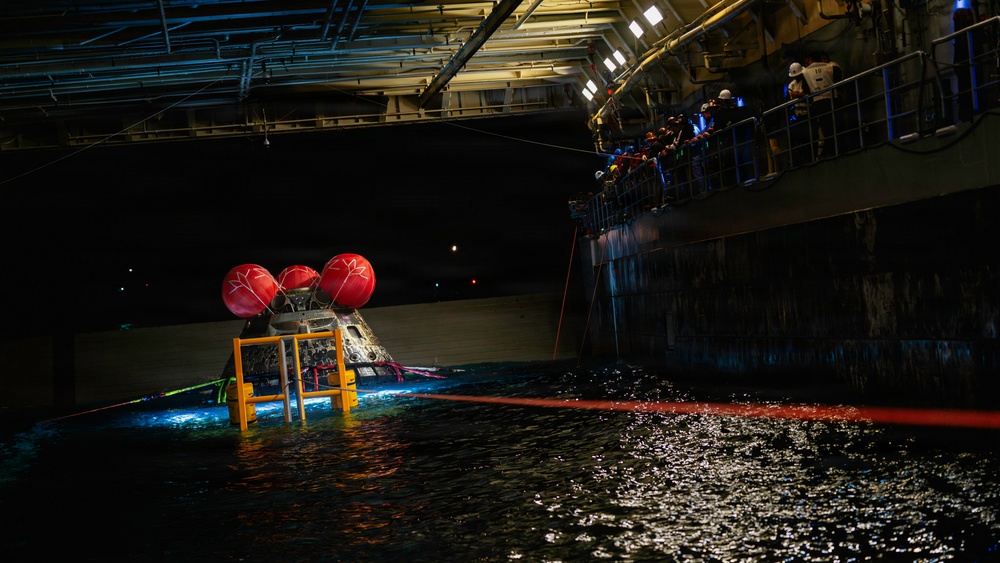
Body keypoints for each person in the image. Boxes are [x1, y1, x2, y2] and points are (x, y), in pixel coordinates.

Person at [801, 51, 836, 158]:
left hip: (818, 103)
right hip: (833, 100)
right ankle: (837, 151)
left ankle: (827, 154)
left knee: (823, 130)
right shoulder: (831, 67)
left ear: (810, 59)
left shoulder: (805, 72)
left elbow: (806, 90)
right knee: (835, 127)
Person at [786, 61, 812, 167]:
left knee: (809, 138)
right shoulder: (791, 84)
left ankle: (810, 158)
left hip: (809, 113)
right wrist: (799, 94)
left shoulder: (806, 81)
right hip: (798, 116)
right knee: (799, 139)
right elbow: (792, 94)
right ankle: (799, 161)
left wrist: (798, 94)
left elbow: (805, 93)